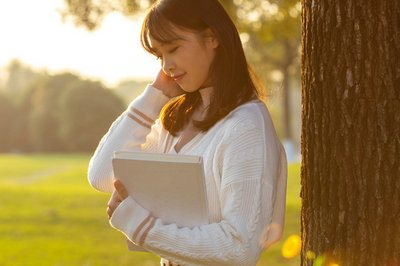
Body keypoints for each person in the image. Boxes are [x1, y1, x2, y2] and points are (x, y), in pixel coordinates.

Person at [88, 0, 287, 265]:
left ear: (212, 37)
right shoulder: (175, 121)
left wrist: (141, 227)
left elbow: (240, 247)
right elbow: (101, 176)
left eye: (173, 48)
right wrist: (155, 95)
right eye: (159, 56)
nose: (167, 65)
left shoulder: (247, 126)